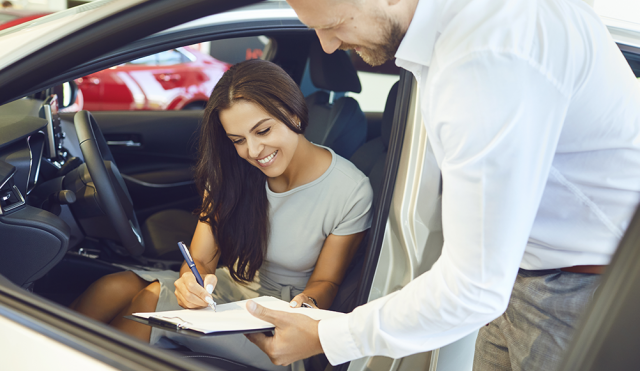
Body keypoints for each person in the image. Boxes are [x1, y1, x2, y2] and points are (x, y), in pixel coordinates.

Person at [244, 0, 640, 370]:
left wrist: (327, 335)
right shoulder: (456, 34)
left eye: (332, 25)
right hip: (528, 276)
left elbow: (474, 287)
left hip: (579, 292)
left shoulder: (487, 57)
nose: (328, 46)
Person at [70, 59, 374, 371]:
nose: (253, 151)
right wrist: (191, 282)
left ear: (293, 113)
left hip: (284, 321)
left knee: (150, 298)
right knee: (114, 285)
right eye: (238, 140)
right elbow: (200, 260)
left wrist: (305, 307)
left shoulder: (350, 190)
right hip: (230, 290)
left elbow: (326, 281)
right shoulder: (233, 171)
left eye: (263, 130)